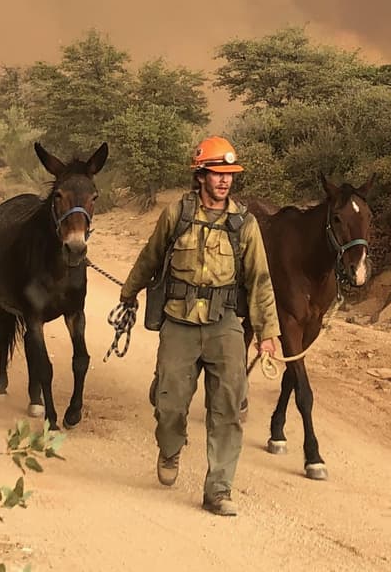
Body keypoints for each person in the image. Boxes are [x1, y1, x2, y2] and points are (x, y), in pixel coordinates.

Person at [119, 136, 280, 517]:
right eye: (217, 173)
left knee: (227, 407)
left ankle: (219, 490)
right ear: (201, 175)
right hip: (179, 321)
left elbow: (260, 279)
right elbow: (150, 257)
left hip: (224, 324)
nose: (224, 181)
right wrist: (129, 293)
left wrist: (268, 333)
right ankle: (170, 447)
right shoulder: (176, 214)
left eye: (230, 174)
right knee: (169, 402)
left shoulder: (245, 224)